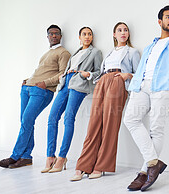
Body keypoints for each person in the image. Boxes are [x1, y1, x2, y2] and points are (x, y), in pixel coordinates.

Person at [123, 5, 169, 191]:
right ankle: (153, 163)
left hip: (164, 86)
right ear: (160, 21)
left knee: (156, 128)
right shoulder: (150, 46)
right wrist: (134, 81)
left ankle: (143, 172)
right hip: (141, 86)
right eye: (168, 17)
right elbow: (142, 68)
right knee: (131, 119)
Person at [71, 22, 140, 181]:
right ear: (114, 35)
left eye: (126, 30)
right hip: (102, 82)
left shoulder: (132, 52)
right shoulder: (109, 53)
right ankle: (83, 166)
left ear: (128, 34)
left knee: (110, 125)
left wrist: (127, 76)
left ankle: (101, 166)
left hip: (118, 82)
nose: (123, 33)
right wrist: (90, 75)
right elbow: (100, 72)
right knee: (94, 124)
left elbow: (138, 74)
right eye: (119, 30)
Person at [0, 24, 71, 169]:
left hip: (42, 91)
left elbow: (63, 74)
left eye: (56, 33)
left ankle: (14, 156)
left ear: (60, 36)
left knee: (27, 121)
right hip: (28, 88)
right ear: (47, 36)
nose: (54, 36)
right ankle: (26, 157)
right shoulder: (47, 53)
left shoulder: (63, 53)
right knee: (25, 121)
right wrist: (28, 80)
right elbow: (42, 70)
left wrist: (45, 83)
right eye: (51, 34)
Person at [41, 27, 103, 173]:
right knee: (52, 118)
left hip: (79, 83)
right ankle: (50, 156)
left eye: (89, 34)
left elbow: (99, 72)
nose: (87, 37)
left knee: (68, 118)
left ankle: (62, 157)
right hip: (65, 83)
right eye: (84, 34)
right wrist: (64, 75)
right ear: (79, 37)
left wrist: (85, 74)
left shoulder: (95, 52)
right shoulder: (76, 52)